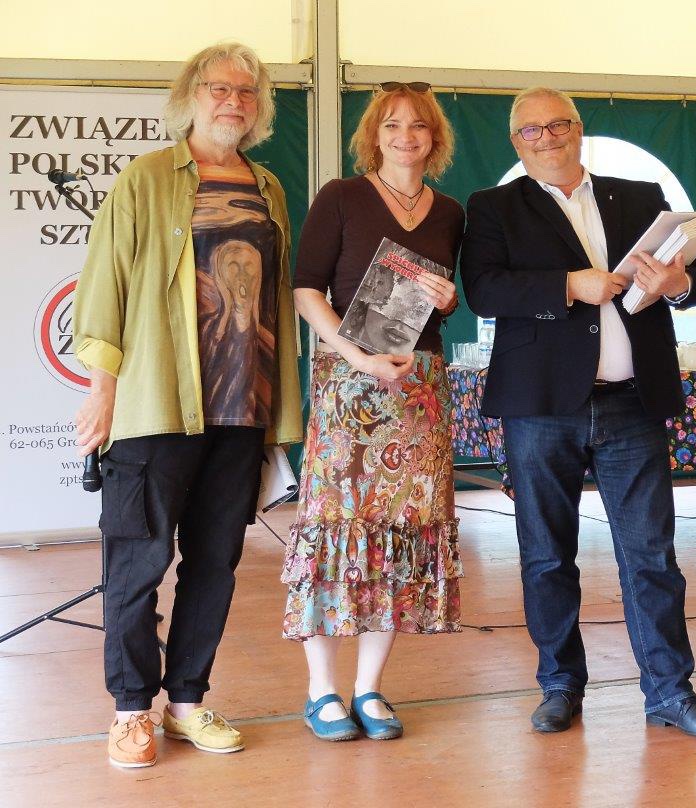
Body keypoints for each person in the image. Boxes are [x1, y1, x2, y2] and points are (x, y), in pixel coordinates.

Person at [460, 87, 696, 738]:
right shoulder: (494, 206)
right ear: (516, 142)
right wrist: (566, 286)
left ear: (579, 129)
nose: (546, 138)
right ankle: (559, 684)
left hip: (632, 402)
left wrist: (680, 284)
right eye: (531, 130)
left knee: (651, 556)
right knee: (546, 556)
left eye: (558, 125)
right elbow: (484, 289)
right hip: (540, 407)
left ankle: (670, 692)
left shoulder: (638, 196)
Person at [72, 42, 302, 768]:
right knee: (137, 563)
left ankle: (187, 703)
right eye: (218, 88)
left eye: (247, 91)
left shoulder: (268, 187)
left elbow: (272, 297)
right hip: (155, 406)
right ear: (191, 96)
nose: (233, 100)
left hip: (241, 409)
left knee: (215, 562)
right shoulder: (146, 178)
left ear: (260, 107)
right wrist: (103, 392)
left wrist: (278, 415)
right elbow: (103, 286)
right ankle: (131, 711)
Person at [282, 82, 464, 740]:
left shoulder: (451, 212)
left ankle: (368, 689)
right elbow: (306, 290)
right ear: (374, 135)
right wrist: (356, 358)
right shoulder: (341, 197)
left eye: (418, 125)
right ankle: (321, 692)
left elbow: (447, 301)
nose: (405, 136)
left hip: (420, 388)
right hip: (350, 384)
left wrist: (447, 299)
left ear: (434, 137)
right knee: (334, 530)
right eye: (392, 125)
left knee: (401, 534)